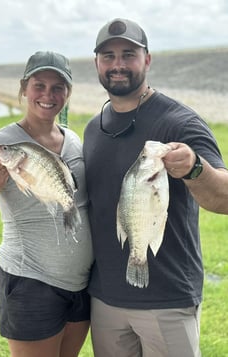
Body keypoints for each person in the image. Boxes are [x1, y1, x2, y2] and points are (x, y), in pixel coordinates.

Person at [83, 18, 228, 357]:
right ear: (97, 64)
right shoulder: (93, 129)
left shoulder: (179, 121)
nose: (117, 64)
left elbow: (223, 197)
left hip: (167, 300)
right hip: (105, 298)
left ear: (147, 60)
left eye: (128, 54)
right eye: (108, 56)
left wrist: (194, 167)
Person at [0, 51, 93, 357]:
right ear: (23, 89)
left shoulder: (73, 140)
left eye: (58, 87)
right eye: (39, 85)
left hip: (81, 285)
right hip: (30, 283)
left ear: (68, 93)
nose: (48, 94)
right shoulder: (2, 140)